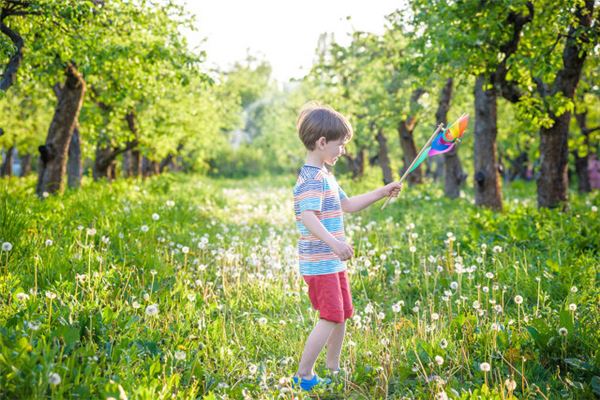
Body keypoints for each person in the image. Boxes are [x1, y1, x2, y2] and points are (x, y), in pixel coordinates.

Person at [292, 103, 402, 391]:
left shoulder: (326, 176)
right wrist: (334, 243)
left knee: (341, 314)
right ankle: (303, 374)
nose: (343, 151)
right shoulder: (311, 179)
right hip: (321, 262)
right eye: (340, 145)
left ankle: (333, 369)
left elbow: (348, 205)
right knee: (330, 315)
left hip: (332, 262)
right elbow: (307, 216)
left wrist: (382, 191)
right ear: (322, 142)